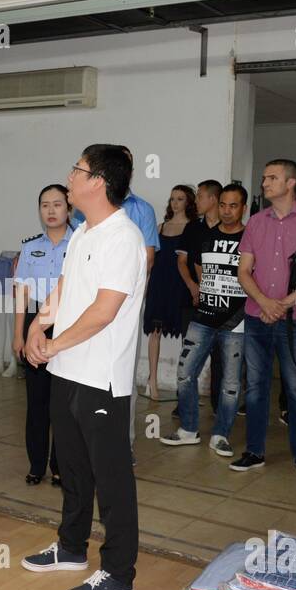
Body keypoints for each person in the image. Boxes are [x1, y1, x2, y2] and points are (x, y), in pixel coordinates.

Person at [21, 144, 148, 590]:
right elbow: (66, 289)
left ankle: (118, 571)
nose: (69, 176)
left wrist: (53, 343)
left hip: (101, 376)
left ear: (98, 181)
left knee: (111, 478)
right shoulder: (83, 234)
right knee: (72, 469)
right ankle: (71, 547)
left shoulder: (123, 237)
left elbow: (104, 311)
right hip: (67, 369)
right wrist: (40, 322)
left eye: (77, 169)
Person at [231, 159, 296, 480]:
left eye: (272, 178)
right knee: (256, 388)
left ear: (291, 183)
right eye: (263, 178)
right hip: (257, 316)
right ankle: (254, 451)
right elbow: (243, 271)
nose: (264, 183)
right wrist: (265, 302)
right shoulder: (256, 223)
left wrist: (283, 305)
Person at [72, 148, 157, 451]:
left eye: (77, 170)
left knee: (119, 376)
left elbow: (146, 260)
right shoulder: (81, 220)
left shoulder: (138, 214)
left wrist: (115, 295)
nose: (72, 177)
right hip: (86, 307)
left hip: (118, 301)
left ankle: (125, 443)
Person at [161, 181, 248, 456]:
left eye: (233, 206)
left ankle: (221, 434)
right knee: (185, 374)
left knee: (230, 384)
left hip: (236, 321)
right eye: (223, 204)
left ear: (243, 208)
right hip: (203, 317)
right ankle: (188, 429)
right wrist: (202, 287)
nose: (227, 211)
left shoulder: (251, 238)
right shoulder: (205, 234)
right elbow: (196, 263)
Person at [13, 184, 73, 487]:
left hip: (68, 324)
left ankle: (61, 465)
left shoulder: (81, 244)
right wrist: (18, 335)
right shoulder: (30, 247)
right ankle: (37, 464)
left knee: (63, 401)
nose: (50, 211)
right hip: (34, 324)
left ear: (69, 209)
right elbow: (22, 293)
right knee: (37, 402)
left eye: (57, 204)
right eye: (45, 205)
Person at [142, 185, 196, 401]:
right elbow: (149, 259)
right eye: (172, 198)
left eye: (180, 199)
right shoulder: (160, 227)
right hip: (158, 283)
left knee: (187, 335)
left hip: (180, 285)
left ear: (188, 202)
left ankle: (184, 387)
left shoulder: (193, 228)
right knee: (155, 331)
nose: (175, 203)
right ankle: (152, 381)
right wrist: (144, 286)